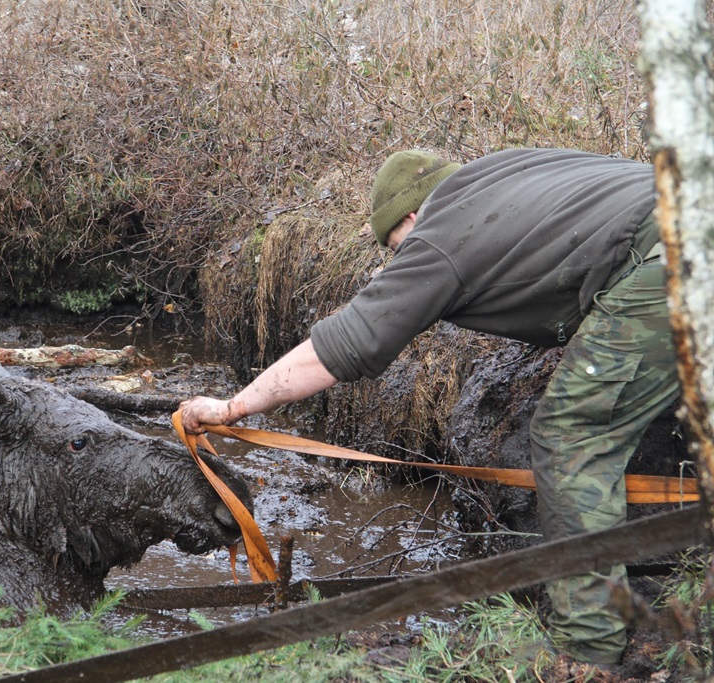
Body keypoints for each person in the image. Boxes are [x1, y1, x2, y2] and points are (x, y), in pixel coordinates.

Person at [179, 148, 678, 666]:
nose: (404, 258)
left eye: (399, 247)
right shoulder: (503, 171)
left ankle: (589, 651)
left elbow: (342, 347)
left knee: (572, 437)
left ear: (412, 217)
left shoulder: (439, 236)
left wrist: (233, 407)